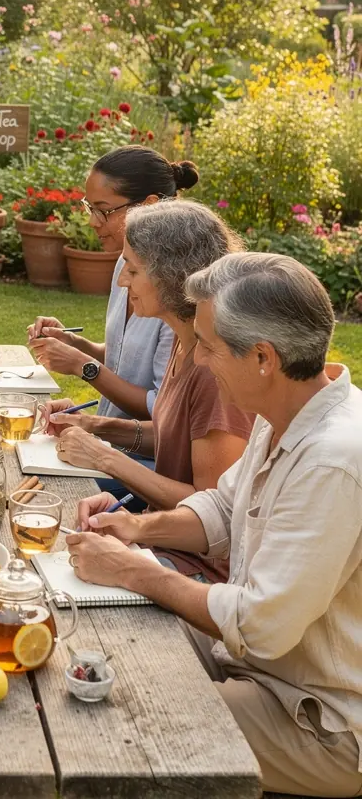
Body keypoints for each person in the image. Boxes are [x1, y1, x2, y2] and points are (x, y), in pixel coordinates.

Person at [67, 252, 362, 798]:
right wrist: (136, 531)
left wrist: (137, 573)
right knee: (91, 641)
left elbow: (261, 625)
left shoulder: (331, 459)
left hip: (322, 718)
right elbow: (222, 512)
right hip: (262, 667)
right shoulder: (287, 412)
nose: (197, 360)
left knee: (117, 713)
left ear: (263, 358)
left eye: (207, 345)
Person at [46, 201, 254, 581]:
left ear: (172, 278)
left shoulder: (213, 369)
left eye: (134, 269)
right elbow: (176, 437)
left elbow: (210, 511)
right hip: (159, 544)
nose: (123, 281)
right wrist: (95, 426)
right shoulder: (182, 341)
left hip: (197, 572)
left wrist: (106, 459)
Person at [28, 146, 199, 422]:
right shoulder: (125, 263)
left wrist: (82, 365)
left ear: (149, 206)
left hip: (140, 456)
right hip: (109, 440)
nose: (92, 221)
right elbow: (126, 357)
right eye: (89, 207)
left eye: (104, 211)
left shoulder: (180, 291)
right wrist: (74, 343)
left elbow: (162, 410)